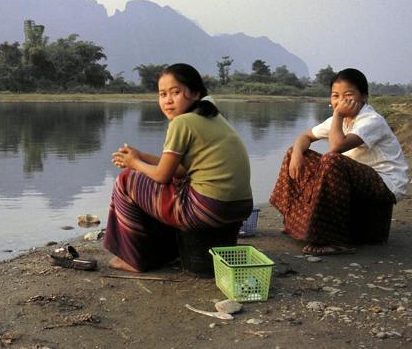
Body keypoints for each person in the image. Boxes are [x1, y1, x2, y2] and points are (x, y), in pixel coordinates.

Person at [104, 63, 254, 272]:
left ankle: (133, 259)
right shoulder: (212, 118)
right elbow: (179, 170)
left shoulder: (182, 123)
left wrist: (134, 164)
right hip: (239, 207)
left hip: (209, 208)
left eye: (175, 92)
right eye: (162, 94)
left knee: (126, 181)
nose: (167, 100)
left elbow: (163, 176)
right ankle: (166, 251)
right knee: (174, 181)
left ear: (195, 93)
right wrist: (140, 157)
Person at [270, 68, 409, 255]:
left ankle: (334, 241)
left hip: (385, 183)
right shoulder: (339, 120)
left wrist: (338, 115)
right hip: (355, 178)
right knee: (294, 152)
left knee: (332, 160)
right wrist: (296, 154)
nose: (341, 101)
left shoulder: (371, 120)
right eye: (335, 95)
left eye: (348, 95)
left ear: (364, 97)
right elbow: (305, 136)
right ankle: (295, 223)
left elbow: (336, 146)